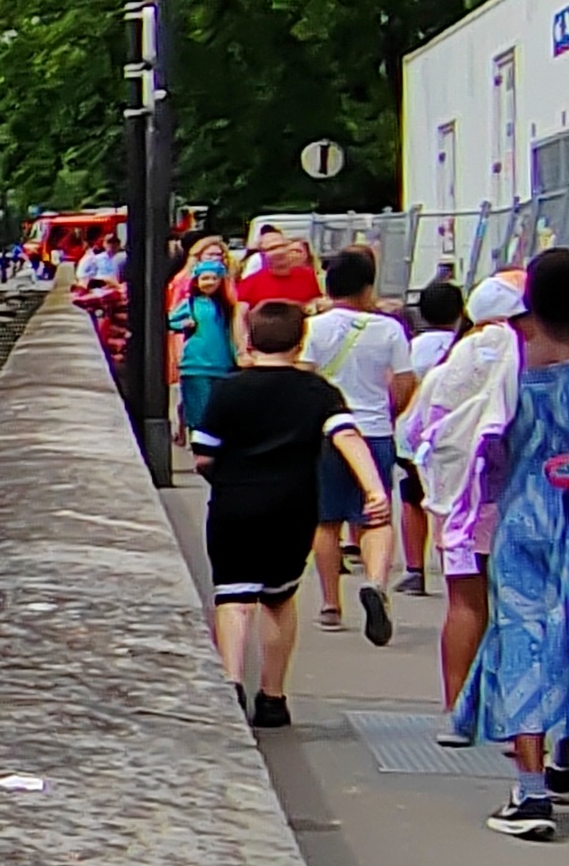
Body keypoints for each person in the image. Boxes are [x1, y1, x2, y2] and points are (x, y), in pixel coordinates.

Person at [197, 299, 392, 728]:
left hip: (235, 503)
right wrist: (373, 488)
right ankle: (272, 696)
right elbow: (346, 435)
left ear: (248, 339)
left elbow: (203, 455)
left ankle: (231, 681)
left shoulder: (228, 390)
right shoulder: (319, 392)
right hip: (293, 507)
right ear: (301, 341)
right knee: (279, 599)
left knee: (234, 598)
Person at [458, 249, 569, 838]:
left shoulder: (512, 365)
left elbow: (480, 444)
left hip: (527, 516)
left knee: (524, 638)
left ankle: (529, 794)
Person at [416, 271, 526, 740]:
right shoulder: (527, 359)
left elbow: (415, 432)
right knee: (522, 609)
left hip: (457, 502)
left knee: (464, 603)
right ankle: (521, 722)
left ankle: (457, 711)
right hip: (515, 497)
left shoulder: (449, 366)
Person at [301, 245, 415, 642]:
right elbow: (403, 383)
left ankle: (331, 603)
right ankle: (377, 583)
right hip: (375, 430)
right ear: (368, 288)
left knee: (326, 519)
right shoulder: (389, 329)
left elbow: (305, 378)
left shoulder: (312, 327)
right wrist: (388, 412)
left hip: (327, 432)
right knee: (375, 515)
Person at [393, 277, 471, 595]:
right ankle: (455, 561)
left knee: (413, 500)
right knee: (453, 500)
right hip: (459, 434)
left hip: (417, 436)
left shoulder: (415, 347)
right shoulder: (466, 344)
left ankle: (414, 569)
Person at [169, 254, 240, 441]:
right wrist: (184, 324)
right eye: (205, 278)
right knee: (197, 408)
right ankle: (197, 441)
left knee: (217, 407)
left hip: (222, 363)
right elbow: (170, 321)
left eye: (214, 278)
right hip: (195, 362)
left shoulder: (227, 306)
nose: (210, 282)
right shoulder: (190, 304)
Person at [236, 229, 323, 311]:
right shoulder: (249, 284)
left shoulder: (309, 276)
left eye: (282, 246)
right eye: (272, 248)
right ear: (263, 254)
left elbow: (318, 302)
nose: (279, 252)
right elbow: (240, 318)